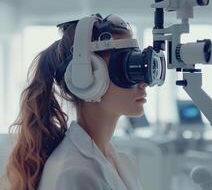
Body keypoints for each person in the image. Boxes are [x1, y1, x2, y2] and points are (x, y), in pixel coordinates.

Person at [4, 13, 147, 190]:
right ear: (87, 78)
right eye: (126, 67)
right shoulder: (74, 173)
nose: (143, 82)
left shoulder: (116, 160)